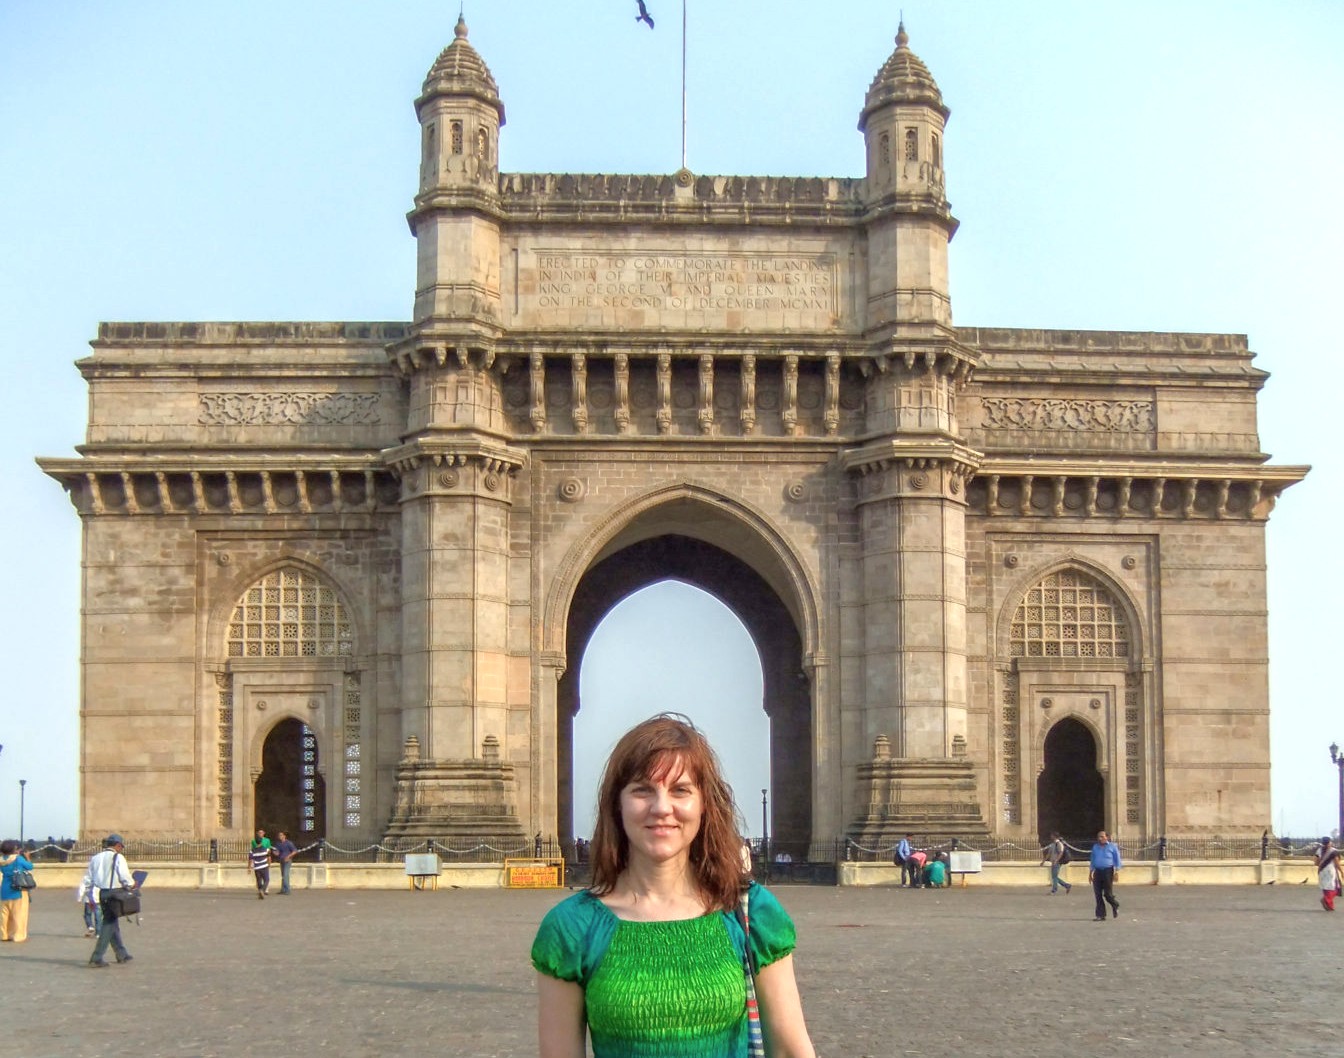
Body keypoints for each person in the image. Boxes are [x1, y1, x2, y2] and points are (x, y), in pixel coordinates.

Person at [532, 714, 816, 1058]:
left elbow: (790, 1050)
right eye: (642, 790)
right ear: (616, 804)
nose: (662, 808)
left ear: (704, 805)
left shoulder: (752, 914)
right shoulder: (571, 929)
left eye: (680, 790)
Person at [86, 834, 138, 966]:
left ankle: (122, 953)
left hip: (101, 893)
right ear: (117, 845)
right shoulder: (118, 857)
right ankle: (96, 957)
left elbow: (89, 879)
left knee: (112, 922)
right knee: (108, 924)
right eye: (121, 846)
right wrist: (132, 884)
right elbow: (124, 875)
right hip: (115, 893)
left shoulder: (95, 858)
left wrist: (90, 897)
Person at [0, 839, 34, 943]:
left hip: (4, 889)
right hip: (17, 889)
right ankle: (18, 935)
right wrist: (27, 857)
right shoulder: (18, 859)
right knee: (19, 914)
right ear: (14, 849)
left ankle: (4, 934)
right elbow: (30, 867)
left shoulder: (1, 860)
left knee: (4, 915)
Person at [1088, 830, 1122, 921]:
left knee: (1107, 894)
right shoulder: (1095, 847)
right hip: (1098, 871)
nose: (1100, 838)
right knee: (1098, 894)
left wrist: (1117, 871)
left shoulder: (1112, 846)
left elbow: (1117, 859)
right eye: (1099, 837)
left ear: (1107, 837)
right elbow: (1093, 859)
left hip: (1108, 870)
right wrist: (1090, 872)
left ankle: (1115, 904)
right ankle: (1100, 914)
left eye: (1102, 836)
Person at [1314, 836, 1340, 911]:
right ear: (1330, 842)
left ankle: (1330, 906)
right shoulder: (1333, 851)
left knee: (1326, 888)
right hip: (1330, 870)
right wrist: (1341, 871)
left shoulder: (1319, 850)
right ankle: (1326, 899)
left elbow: (1316, 862)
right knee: (1335, 888)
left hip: (1321, 870)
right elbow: (1337, 862)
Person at [76, 868, 103, 937]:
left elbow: (82, 889)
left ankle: (90, 926)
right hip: (97, 900)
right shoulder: (100, 878)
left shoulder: (86, 878)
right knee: (98, 917)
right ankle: (98, 933)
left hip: (88, 900)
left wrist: (79, 898)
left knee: (87, 914)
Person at [249, 829, 273, 899]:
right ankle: (262, 890)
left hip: (256, 867)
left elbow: (250, 859)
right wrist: (269, 864)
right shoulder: (266, 849)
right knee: (267, 879)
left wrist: (249, 868)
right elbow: (269, 857)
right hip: (264, 866)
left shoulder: (252, 851)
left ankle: (260, 890)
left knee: (258, 880)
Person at [273, 831, 298, 895]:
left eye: (281, 835)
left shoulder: (289, 843)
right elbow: (277, 852)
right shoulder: (278, 843)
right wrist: (276, 853)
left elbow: (295, 851)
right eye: (279, 835)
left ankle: (287, 889)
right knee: (283, 875)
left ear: (284, 836)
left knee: (285, 874)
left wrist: (288, 856)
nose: (280, 837)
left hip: (287, 860)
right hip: (281, 860)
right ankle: (283, 889)